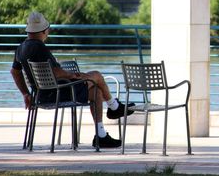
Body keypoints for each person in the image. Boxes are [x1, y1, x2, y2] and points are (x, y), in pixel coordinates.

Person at [10, 11, 134, 148]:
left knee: (97, 91)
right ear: (45, 31)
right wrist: (72, 75)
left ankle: (101, 135)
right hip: (60, 93)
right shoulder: (40, 47)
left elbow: (15, 72)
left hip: (41, 96)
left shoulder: (20, 49)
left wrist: (26, 93)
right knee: (97, 75)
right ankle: (114, 106)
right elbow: (55, 72)